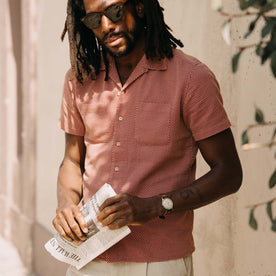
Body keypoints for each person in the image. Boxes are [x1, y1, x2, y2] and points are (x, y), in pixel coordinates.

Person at [52, 0, 243, 275]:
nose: (106, 26)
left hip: (159, 261)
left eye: (114, 11)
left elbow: (229, 173)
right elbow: (72, 160)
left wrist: (156, 205)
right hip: (88, 257)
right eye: (94, 20)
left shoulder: (191, 78)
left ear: (139, 6)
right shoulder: (79, 80)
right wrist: (66, 205)